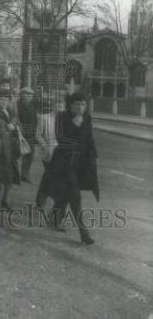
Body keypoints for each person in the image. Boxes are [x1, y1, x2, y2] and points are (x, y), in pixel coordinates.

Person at [45, 92, 99, 245]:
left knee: (66, 194)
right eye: (77, 104)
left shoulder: (87, 118)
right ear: (70, 105)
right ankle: (84, 233)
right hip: (63, 163)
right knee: (75, 195)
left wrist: (93, 156)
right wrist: (75, 124)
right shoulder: (62, 117)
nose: (80, 107)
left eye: (83, 104)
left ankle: (53, 220)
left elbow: (89, 139)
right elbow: (61, 139)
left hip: (80, 164)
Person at [0, 89, 21, 210]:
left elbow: (15, 125)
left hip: (11, 148)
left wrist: (14, 126)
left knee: (9, 176)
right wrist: (7, 127)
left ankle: (5, 199)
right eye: (1, 99)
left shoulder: (9, 111)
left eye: (6, 99)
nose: (4, 102)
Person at [35, 94, 58, 209]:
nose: (59, 108)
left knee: (50, 175)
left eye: (62, 106)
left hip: (61, 153)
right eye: (57, 106)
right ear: (53, 107)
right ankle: (43, 198)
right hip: (48, 152)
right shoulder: (45, 118)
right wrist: (45, 146)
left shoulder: (66, 121)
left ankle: (41, 198)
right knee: (50, 174)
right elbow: (38, 135)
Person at [18, 87, 37, 183]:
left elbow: (35, 121)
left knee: (29, 155)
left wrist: (35, 132)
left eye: (31, 95)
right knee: (15, 155)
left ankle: (24, 174)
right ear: (21, 95)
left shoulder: (32, 107)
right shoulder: (17, 106)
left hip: (30, 135)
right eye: (27, 94)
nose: (29, 97)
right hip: (19, 134)